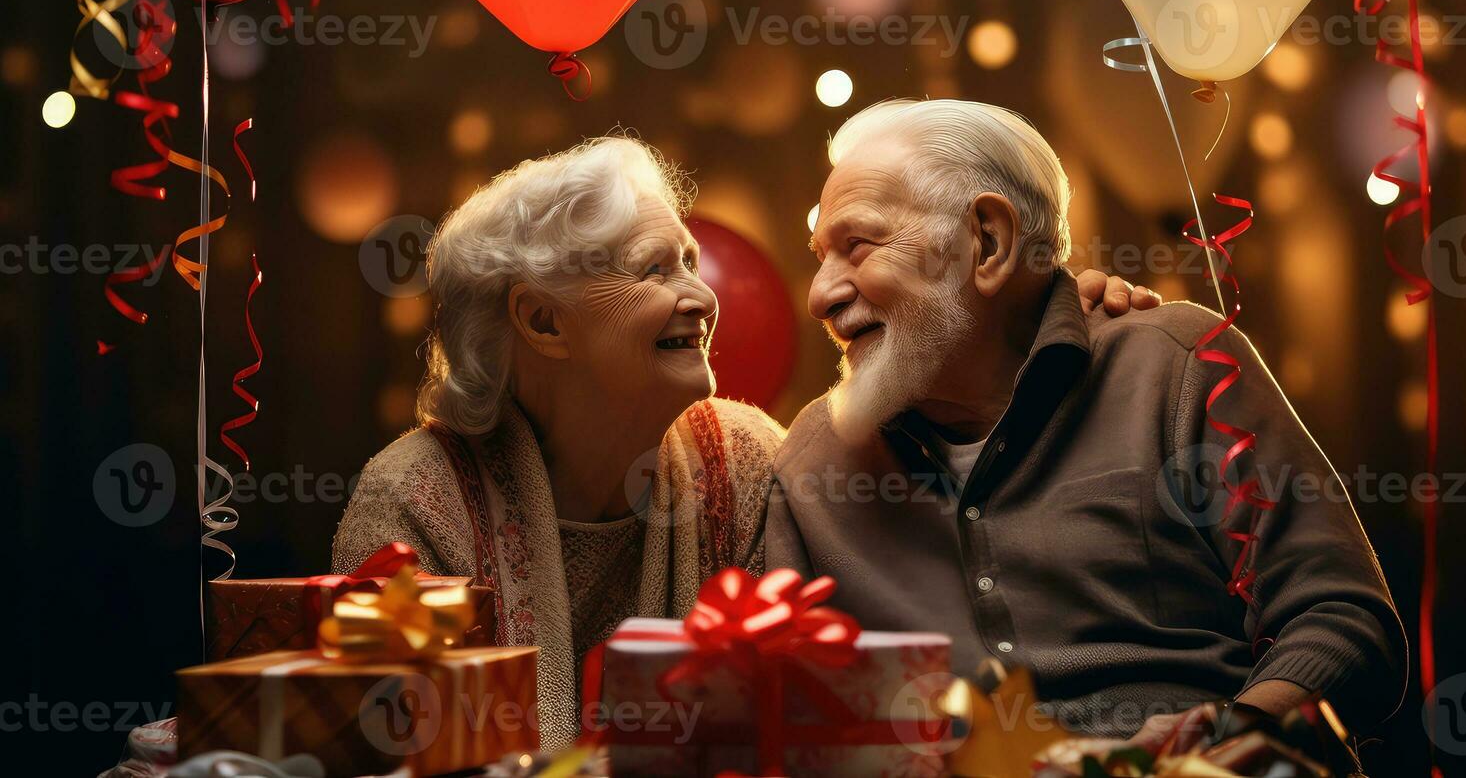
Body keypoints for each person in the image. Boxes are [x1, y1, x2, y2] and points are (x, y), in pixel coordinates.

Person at [331, 134, 1154, 749]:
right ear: (544, 321)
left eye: (691, 262)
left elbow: (819, 692)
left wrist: (1042, 311)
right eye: (657, 270)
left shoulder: (750, 456)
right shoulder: (413, 500)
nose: (702, 296)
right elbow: (365, 748)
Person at [766, 99, 1407, 741]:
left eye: (857, 246)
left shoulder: (1178, 364)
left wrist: (1227, 742)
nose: (821, 295)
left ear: (987, 242)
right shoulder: (814, 459)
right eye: (820, 255)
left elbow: (1344, 622)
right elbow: (772, 698)